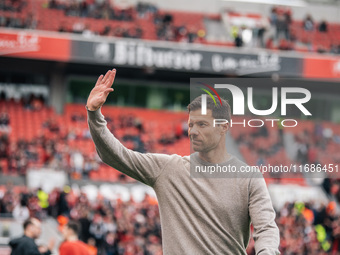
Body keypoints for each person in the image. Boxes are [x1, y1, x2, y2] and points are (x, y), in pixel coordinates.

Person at [86, 68, 280, 254]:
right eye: (190, 125)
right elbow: (116, 155)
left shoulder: (249, 178)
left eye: (202, 124)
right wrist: (94, 114)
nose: (193, 131)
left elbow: (266, 229)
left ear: (223, 127)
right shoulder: (168, 169)